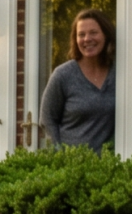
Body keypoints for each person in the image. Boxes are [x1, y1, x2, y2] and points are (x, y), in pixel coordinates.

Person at [39, 8, 117, 150]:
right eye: (81, 34)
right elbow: (47, 119)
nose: (87, 39)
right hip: (69, 166)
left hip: (108, 167)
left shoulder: (119, 74)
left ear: (106, 35)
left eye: (93, 32)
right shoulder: (63, 75)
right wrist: (60, 154)